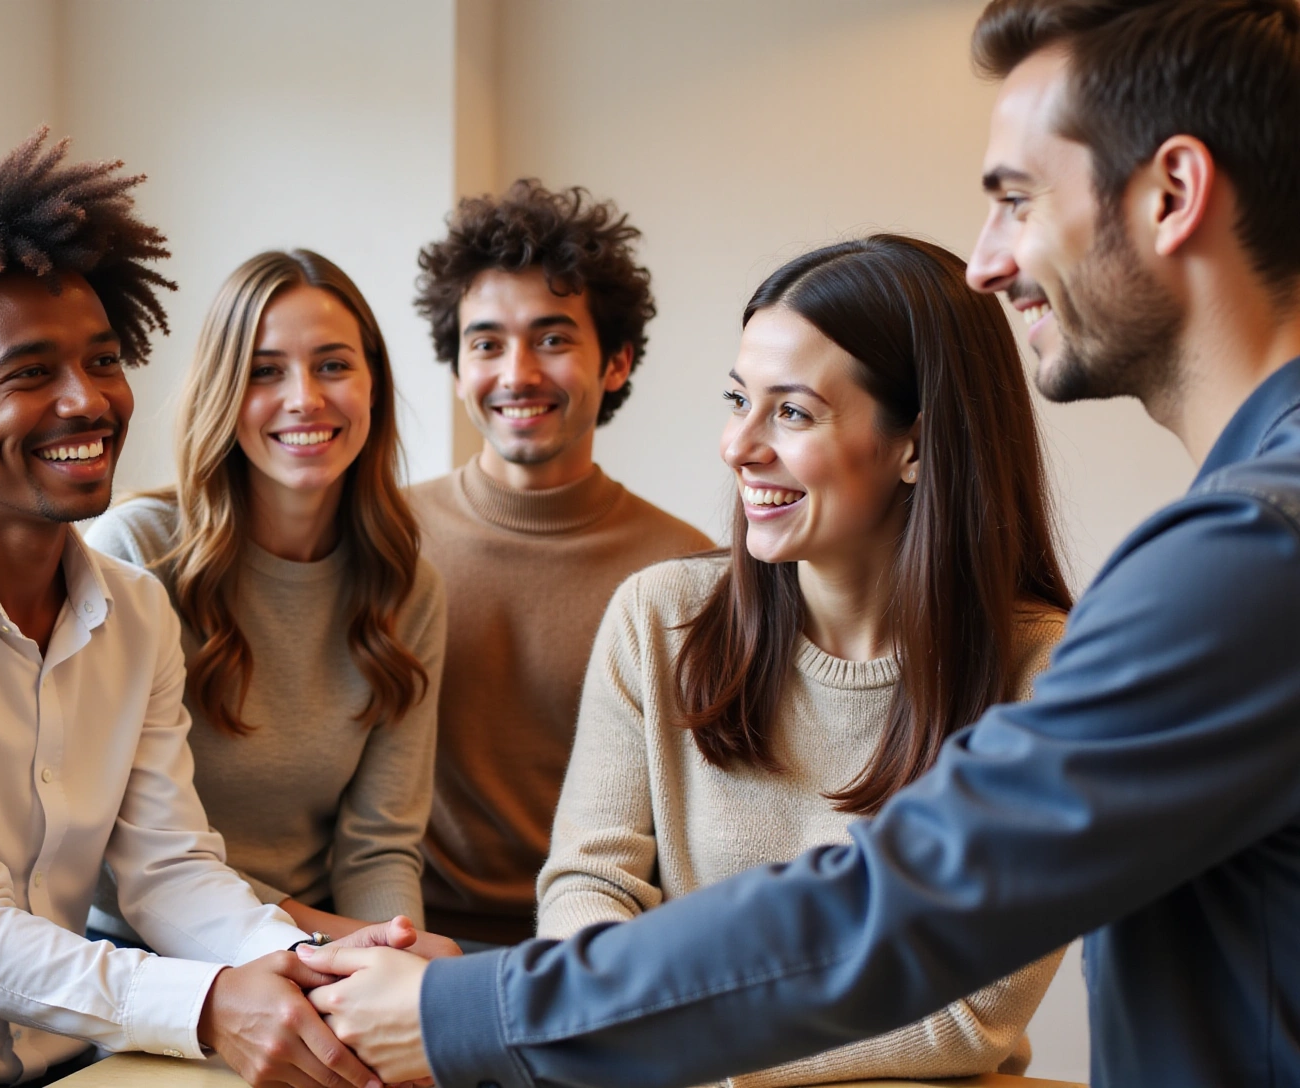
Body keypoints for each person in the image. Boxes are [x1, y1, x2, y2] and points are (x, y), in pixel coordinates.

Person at [300, 1, 1300, 1084]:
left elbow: (900, 910)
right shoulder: (1251, 534)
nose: (987, 261)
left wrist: (477, 1012)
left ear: (1173, 193)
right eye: (741, 400)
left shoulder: (1249, 554)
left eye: (1016, 199)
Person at [0, 111, 413, 1088]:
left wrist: (308, 963)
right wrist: (210, 1003)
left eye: (103, 360)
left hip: (86, 1064)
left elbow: (168, 869)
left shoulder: (134, 610)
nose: (87, 400)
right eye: (31, 373)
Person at [537, 235, 1070, 1086]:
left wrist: (684, 1049)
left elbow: (969, 1013)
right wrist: (625, 1039)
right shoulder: (660, 619)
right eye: (738, 400)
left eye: (791, 413)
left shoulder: (1045, 676)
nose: (738, 445)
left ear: (917, 444)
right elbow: (588, 889)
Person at [86, 249, 453, 952]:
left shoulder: (408, 588)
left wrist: (395, 954)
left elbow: (378, 847)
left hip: (321, 943)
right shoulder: (135, 551)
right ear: (222, 389)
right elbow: (113, 852)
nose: (305, 398)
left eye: (333, 365)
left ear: (373, 384)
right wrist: (334, 943)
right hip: (152, 951)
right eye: (265, 371)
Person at [406, 180, 713, 946]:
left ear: (615, 363)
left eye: (551, 340)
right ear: (456, 370)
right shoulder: (384, 537)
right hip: (407, 939)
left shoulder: (689, 573)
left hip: (601, 953)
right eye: (486, 344)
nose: (517, 374)